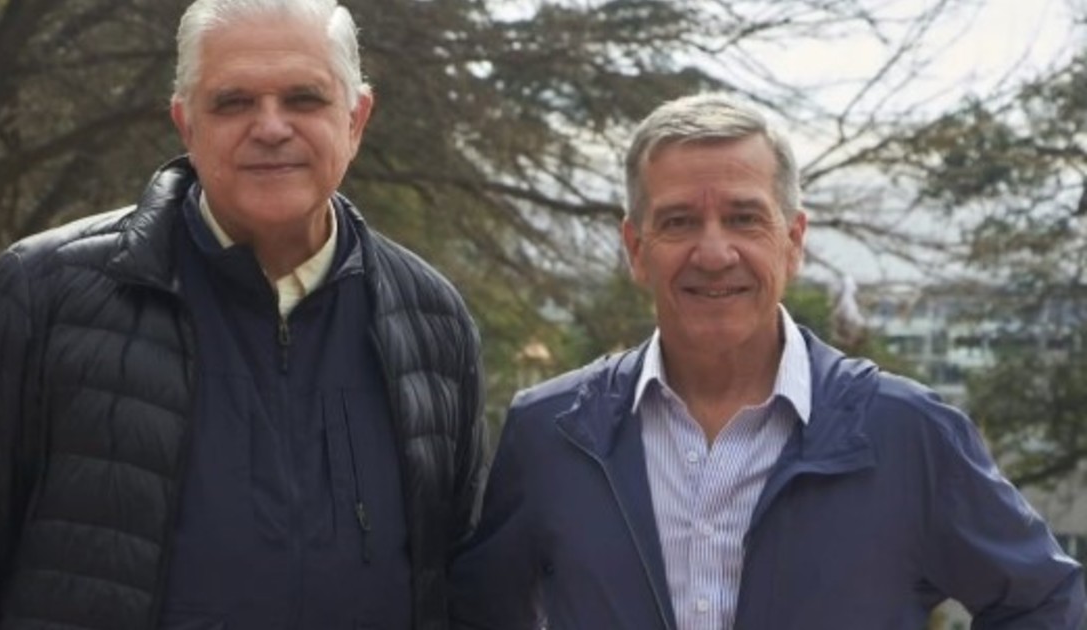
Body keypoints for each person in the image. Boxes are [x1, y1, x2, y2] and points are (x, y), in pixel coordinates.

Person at [0, 0, 486, 628]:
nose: (271, 127)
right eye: (233, 102)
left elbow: (466, 586)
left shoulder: (432, 323)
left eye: (304, 99)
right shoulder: (47, 295)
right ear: (186, 124)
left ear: (356, 119)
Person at [449, 93, 1085, 629]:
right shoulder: (552, 435)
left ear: (793, 241)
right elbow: (478, 615)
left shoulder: (907, 434)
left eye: (744, 218)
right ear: (636, 249)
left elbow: (1050, 604)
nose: (714, 253)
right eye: (678, 222)